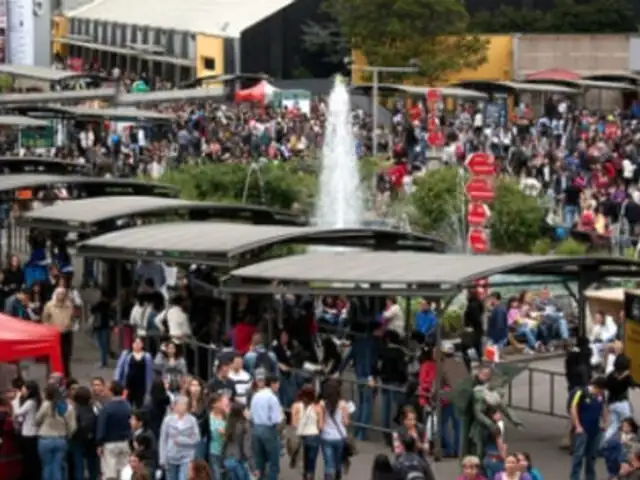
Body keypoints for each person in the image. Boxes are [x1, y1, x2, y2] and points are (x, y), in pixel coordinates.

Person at [36, 382, 77, 480]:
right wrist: (68, 435)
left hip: (45, 439)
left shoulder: (45, 405)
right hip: (61, 439)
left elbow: (37, 420)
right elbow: (73, 426)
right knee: (57, 466)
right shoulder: (68, 407)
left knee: (47, 466)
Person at [570, 376, 608, 480]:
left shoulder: (601, 394)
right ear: (596, 387)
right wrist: (577, 426)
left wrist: (605, 423)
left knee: (592, 457)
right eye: (600, 390)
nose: (600, 392)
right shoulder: (581, 392)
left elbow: (603, 407)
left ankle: (590, 477)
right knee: (578, 456)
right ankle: (575, 477)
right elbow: (573, 408)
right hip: (582, 429)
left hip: (595, 430)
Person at [159, 395, 201, 480]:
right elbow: (163, 439)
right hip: (171, 455)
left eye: (184, 404)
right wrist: (162, 458)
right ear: (175, 405)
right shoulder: (168, 420)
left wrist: (182, 440)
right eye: (180, 404)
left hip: (186, 456)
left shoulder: (192, 420)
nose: (182, 407)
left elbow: (197, 438)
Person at [97, 381, 132, 480]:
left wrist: (99, 443)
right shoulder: (127, 406)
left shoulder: (107, 408)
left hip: (109, 443)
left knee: (110, 473)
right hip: (125, 442)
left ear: (111, 392)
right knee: (124, 472)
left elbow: (102, 426)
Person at [249, 374, 283, 480]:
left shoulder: (256, 395)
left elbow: (251, 414)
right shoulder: (272, 398)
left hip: (255, 429)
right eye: (277, 384)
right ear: (273, 384)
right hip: (268, 430)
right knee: (273, 463)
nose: (278, 387)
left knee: (259, 462)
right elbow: (276, 419)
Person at [291, 384, 323, 479]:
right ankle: (310, 476)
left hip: (301, 437)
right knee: (311, 463)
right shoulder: (318, 407)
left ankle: (304, 476)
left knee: (303, 461)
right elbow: (321, 426)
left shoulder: (295, 406)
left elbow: (293, 423)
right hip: (314, 436)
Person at [41, 287, 75, 377]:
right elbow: (45, 319)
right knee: (53, 356)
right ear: (56, 294)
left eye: (63, 294)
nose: (61, 296)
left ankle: (66, 375)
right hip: (54, 335)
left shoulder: (69, 305)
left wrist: (69, 325)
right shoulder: (49, 305)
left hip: (66, 333)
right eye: (59, 294)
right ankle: (51, 375)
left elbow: (72, 317)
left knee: (66, 355)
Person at [320, 378, 349, 480]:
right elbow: (346, 422)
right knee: (338, 463)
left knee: (328, 465)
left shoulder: (323, 404)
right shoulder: (343, 404)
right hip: (340, 437)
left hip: (326, 437)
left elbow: (321, 424)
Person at [114, 337, 154, 409]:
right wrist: (116, 380)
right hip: (128, 384)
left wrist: (150, 385)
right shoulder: (127, 354)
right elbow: (119, 367)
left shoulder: (147, 356)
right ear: (132, 344)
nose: (137, 345)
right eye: (135, 343)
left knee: (140, 405)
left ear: (142, 345)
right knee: (127, 404)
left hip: (141, 385)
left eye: (139, 343)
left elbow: (150, 372)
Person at [13, 380, 41, 480]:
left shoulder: (30, 402)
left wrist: (16, 399)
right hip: (35, 433)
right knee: (33, 458)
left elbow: (18, 413)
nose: (22, 391)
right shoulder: (36, 401)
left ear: (29, 390)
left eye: (24, 388)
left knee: (29, 459)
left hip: (28, 434)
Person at [70, 386, 99, 480]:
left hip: (77, 439)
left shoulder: (74, 410)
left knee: (79, 464)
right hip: (91, 438)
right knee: (92, 464)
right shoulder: (93, 408)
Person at [604, 353, 634, 441]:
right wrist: (626, 375)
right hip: (622, 403)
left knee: (614, 425)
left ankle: (603, 442)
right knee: (629, 425)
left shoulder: (610, 375)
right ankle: (624, 444)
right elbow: (633, 385)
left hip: (611, 403)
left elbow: (608, 386)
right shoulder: (626, 377)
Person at [223, 402, 254, 480]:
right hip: (239, 460)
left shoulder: (229, 423)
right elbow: (247, 449)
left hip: (228, 459)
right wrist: (253, 467)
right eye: (246, 410)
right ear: (241, 412)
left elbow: (225, 443)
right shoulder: (245, 425)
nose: (248, 412)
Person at [91, 289, 114, 368]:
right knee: (103, 345)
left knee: (101, 345)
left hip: (98, 326)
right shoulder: (108, 305)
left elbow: (92, 310)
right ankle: (104, 361)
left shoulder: (99, 304)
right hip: (105, 326)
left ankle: (103, 361)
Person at [129, 410, 157, 475]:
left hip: (146, 468)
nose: (130, 421)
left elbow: (147, 454)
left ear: (140, 423)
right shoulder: (133, 434)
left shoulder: (146, 436)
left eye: (133, 419)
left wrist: (138, 449)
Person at [186, 378, 208, 460]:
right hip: (186, 439)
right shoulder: (185, 402)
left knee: (199, 463)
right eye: (192, 385)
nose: (194, 388)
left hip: (200, 439)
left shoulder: (205, 403)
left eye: (197, 385)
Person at [207, 393, 227, 478]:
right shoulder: (209, 417)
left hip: (226, 451)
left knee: (226, 475)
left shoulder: (226, 416)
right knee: (216, 475)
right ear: (213, 404)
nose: (222, 403)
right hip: (213, 450)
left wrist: (225, 433)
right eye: (219, 401)